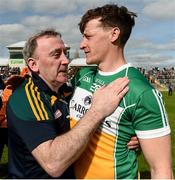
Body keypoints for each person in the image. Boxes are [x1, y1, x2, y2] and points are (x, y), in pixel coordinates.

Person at [7, 29, 129, 178]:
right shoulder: (25, 99)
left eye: (65, 53)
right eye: (56, 55)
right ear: (33, 65)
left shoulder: (65, 91)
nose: (66, 60)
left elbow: (81, 130)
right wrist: (97, 111)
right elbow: (53, 164)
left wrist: (124, 137)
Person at [69, 4, 173, 179]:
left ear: (114, 34)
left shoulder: (141, 92)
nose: (82, 45)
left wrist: (142, 138)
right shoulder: (82, 76)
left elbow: (161, 170)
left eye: (88, 37)